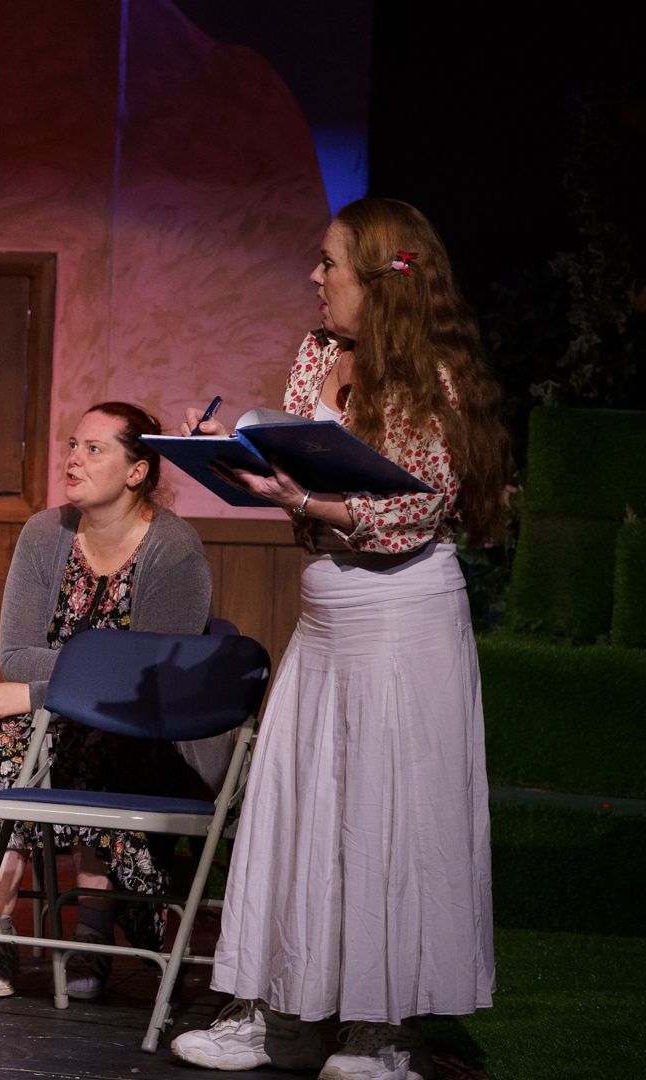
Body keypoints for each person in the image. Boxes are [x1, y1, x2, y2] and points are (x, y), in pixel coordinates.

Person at [169, 198, 508, 1079]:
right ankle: (280, 1013)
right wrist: (244, 462)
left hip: (402, 615)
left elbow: (417, 509)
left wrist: (310, 501)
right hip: (326, 609)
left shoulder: (433, 375)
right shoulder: (319, 354)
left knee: (389, 813)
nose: (315, 278)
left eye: (330, 263)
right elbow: (304, 478)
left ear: (381, 278)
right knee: (300, 806)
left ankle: (380, 1029)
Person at [0, 403, 215, 1002]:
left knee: (87, 733)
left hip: (146, 727)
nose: (73, 459)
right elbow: (16, 654)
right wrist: (64, 688)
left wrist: (39, 693)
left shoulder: (174, 548)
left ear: (137, 472)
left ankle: (92, 932)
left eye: (95, 449)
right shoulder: (45, 533)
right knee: (15, 735)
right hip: (49, 725)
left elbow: (151, 677)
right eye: (73, 445)